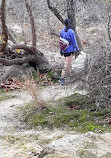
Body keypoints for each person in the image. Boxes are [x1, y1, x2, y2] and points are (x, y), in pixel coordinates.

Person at [58, 18, 79, 85]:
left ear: (64, 24)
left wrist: (60, 50)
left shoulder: (62, 31)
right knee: (67, 65)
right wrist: (77, 49)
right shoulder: (71, 31)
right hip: (70, 50)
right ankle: (61, 79)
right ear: (70, 23)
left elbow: (60, 42)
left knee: (69, 64)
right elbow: (74, 42)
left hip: (64, 50)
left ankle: (73, 76)